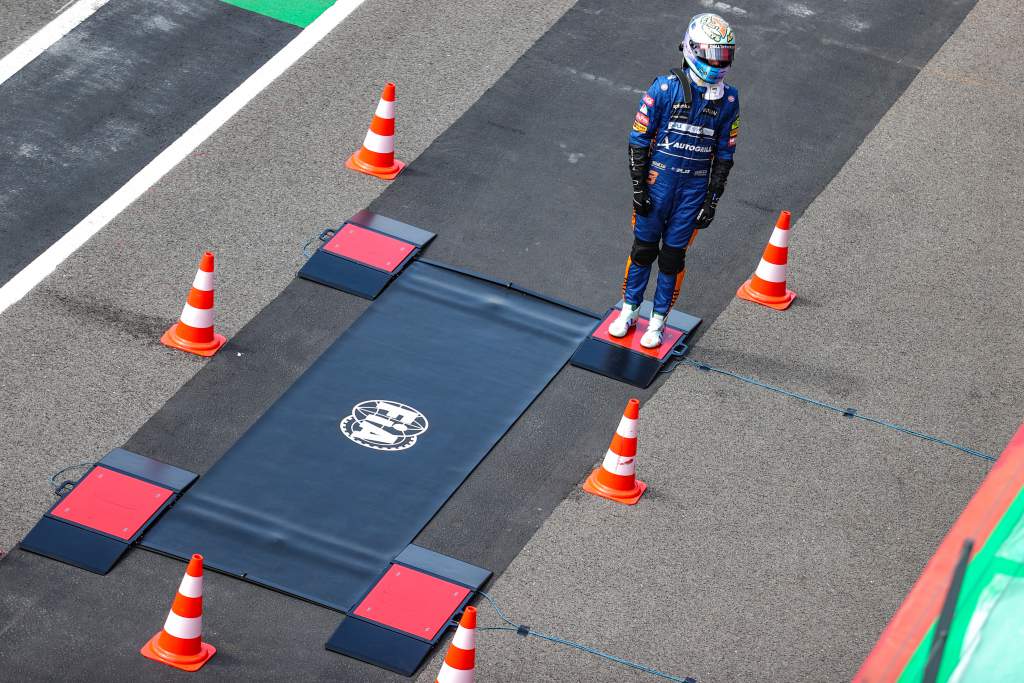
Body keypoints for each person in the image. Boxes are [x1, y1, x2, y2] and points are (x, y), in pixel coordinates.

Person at [609, 13, 740, 348]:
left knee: (672, 257)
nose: (717, 64)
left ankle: (658, 321)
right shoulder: (663, 87)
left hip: (692, 192)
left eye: (723, 57)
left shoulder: (729, 99)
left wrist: (712, 200)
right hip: (658, 184)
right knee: (643, 250)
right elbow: (638, 139)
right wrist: (639, 187)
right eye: (712, 56)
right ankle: (629, 309)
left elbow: (725, 155)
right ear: (692, 50)